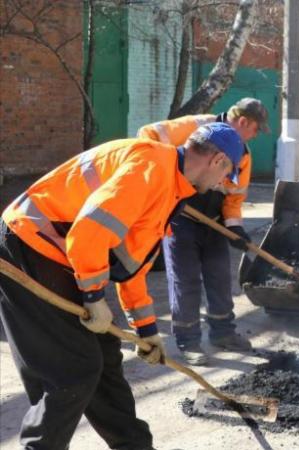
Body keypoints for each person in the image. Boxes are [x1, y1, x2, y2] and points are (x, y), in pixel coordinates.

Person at [0, 123, 245, 449]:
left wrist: (146, 331)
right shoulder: (150, 168)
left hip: (57, 252)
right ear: (217, 161)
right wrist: (93, 296)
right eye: (226, 175)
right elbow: (88, 233)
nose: (220, 186)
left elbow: (130, 266)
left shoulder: (171, 186)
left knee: (104, 359)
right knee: (73, 370)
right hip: (28, 244)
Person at [137, 98, 268, 365]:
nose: (255, 136)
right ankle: (189, 342)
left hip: (214, 220)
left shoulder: (242, 154)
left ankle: (223, 334)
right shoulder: (198, 127)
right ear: (244, 122)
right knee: (185, 281)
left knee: (219, 276)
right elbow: (147, 136)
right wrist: (168, 177)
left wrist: (235, 228)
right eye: (256, 130)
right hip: (179, 217)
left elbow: (234, 196)